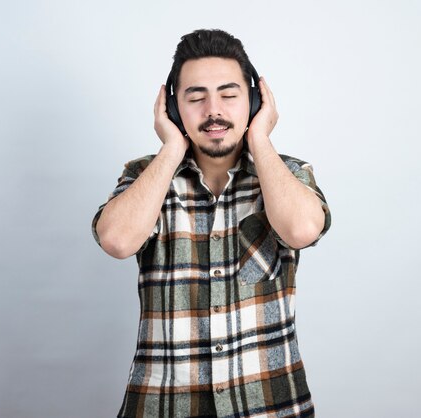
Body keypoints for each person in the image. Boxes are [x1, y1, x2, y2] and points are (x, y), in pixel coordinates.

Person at [92, 29, 331, 418]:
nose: (213, 110)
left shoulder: (287, 174)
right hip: (164, 407)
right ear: (173, 109)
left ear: (253, 102)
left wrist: (260, 141)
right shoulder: (144, 176)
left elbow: (302, 230)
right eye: (196, 97)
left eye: (229, 94)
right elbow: (117, 240)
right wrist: (171, 148)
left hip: (271, 407)